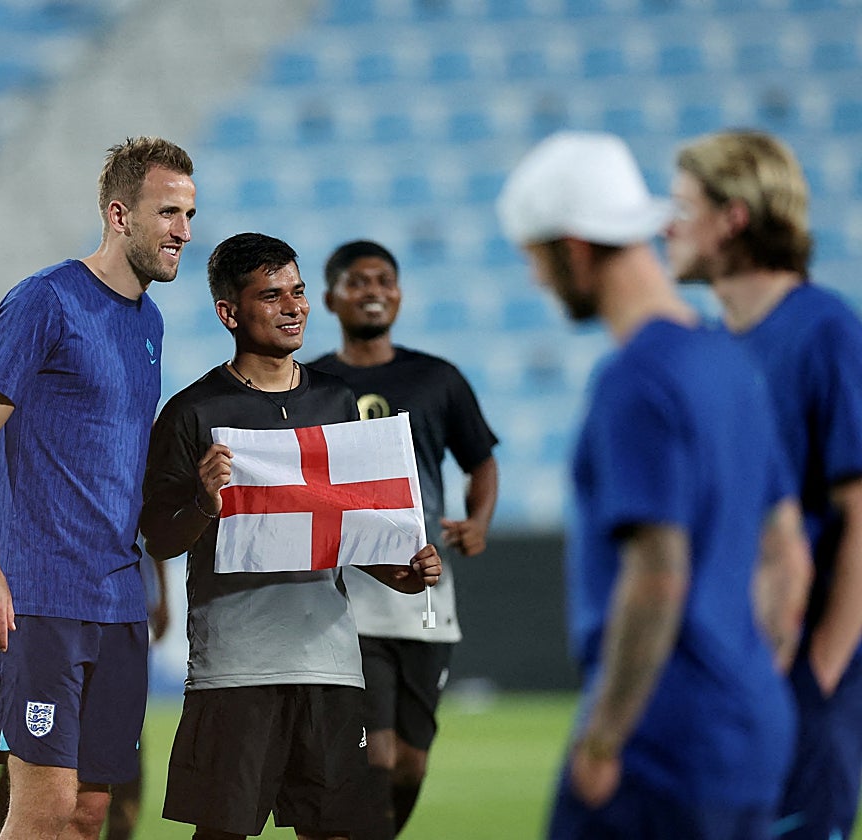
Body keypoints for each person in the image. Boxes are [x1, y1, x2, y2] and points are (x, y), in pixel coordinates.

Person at [496, 131, 811, 839]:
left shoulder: (634, 382)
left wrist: (605, 737)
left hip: (662, 741)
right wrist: (742, 684)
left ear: (574, 249)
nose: (536, 282)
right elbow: (788, 559)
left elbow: (658, 578)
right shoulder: (730, 363)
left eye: (536, 260)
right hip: (753, 732)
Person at [139, 231, 443, 840]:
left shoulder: (336, 401)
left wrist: (403, 573)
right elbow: (159, 539)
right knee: (223, 832)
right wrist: (203, 501)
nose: (293, 306)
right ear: (229, 312)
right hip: (235, 666)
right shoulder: (192, 413)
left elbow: (345, 530)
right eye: (272, 295)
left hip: (329, 663)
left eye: (298, 292)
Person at [0, 136, 195, 840]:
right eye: (167, 213)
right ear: (119, 216)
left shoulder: (149, 322)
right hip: (41, 599)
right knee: (42, 811)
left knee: (92, 813)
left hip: (119, 605)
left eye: (189, 213)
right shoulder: (44, 301)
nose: (183, 230)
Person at [668, 129, 862, 840]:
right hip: (730, 677)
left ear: (734, 217)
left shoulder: (826, 331)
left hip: (805, 679)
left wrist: (820, 675)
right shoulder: (710, 346)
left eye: (684, 204)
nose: (667, 223)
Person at [305, 240, 498, 839]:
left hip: (426, 601)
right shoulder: (309, 382)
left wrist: (479, 521)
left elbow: (481, 461)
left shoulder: (437, 377)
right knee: (375, 755)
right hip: (345, 599)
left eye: (383, 280)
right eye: (357, 281)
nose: (372, 291)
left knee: (409, 766)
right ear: (333, 297)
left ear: (399, 293)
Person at [0, 548, 171, 840]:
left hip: (121, 611)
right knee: (37, 775)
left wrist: (162, 595)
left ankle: (122, 828)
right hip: (50, 604)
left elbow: (153, 528)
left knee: (94, 801)